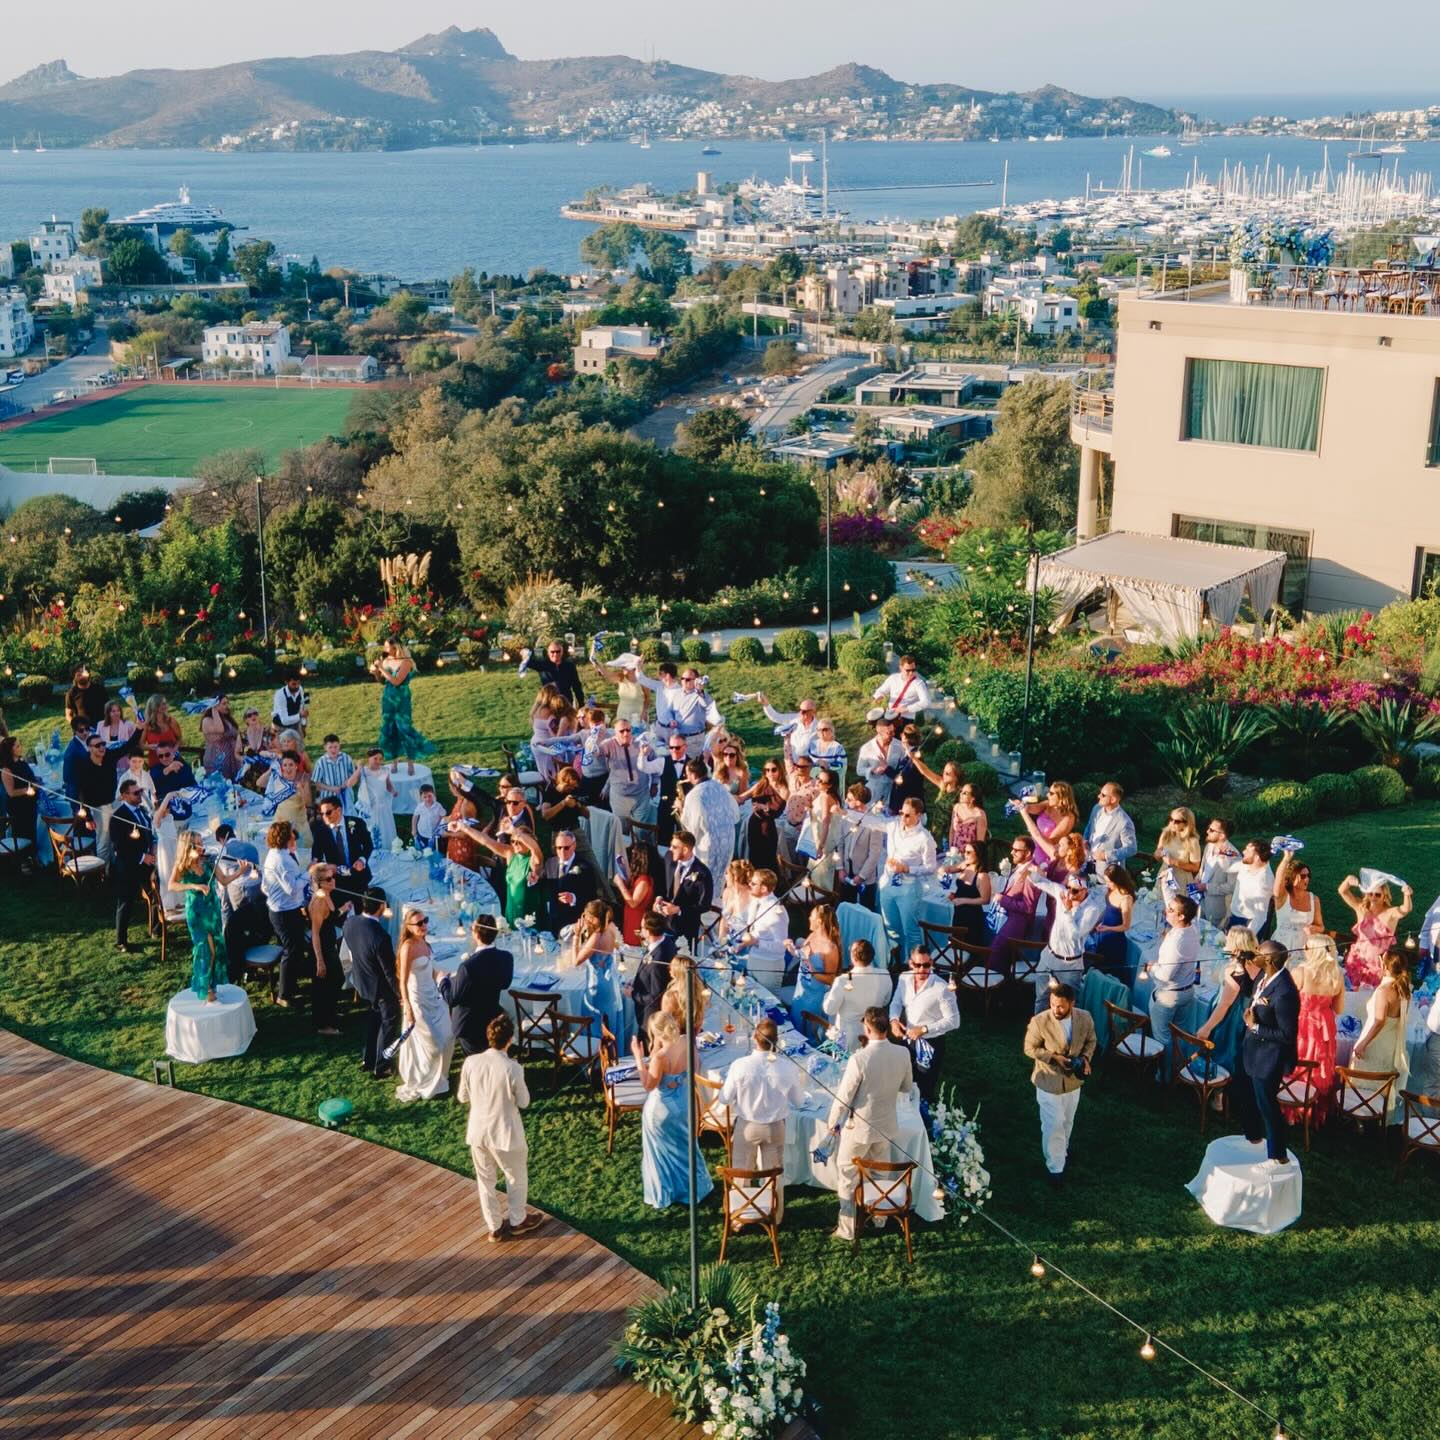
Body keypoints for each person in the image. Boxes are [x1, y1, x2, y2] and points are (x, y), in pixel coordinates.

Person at [826, 1006, 913, 1241]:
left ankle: (847, 1228)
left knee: (846, 1175)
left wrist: (832, 1122)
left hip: (859, 1130)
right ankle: (880, 1218)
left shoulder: (859, 1059)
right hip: (885, 1126)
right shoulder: (903, 1054)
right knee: (879, 1173)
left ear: (867, 1027)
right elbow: (906, 1087)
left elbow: (844, 1097)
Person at [457, 1011, 544, 1241]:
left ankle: (494, 1226)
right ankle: (517, 1219)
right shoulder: (512, 1068)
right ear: (510, 1039)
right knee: (515, 1176)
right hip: (505, 1133)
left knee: (485, 1181)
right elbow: (524, 1102)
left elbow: (462, 1097)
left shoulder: (471, 1062)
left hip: (478, 1132)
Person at [720, 1017, 807, 1220]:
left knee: (742, 1171)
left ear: (754, 1038)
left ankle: (740, 1216)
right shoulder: (787, 1067)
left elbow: (724, 1098)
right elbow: (799, 1101)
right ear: (776, 1041)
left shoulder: (740, 1065)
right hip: (775, 1127)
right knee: (774, 1174)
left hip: (747, 1126)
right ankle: (775, 1216)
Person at [632, 1009, 714, 1210]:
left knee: (661, 1153)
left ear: (657, 1032)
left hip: (661, 1110)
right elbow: (696, 1067)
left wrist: (638, 1059)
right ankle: (693, 1187)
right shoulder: (687, 1041)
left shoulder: (660, 1057)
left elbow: (649, 1085)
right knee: (685, 1146)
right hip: (684, 1103)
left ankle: (667, 1192)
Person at [1023, 982, 1096, 1186]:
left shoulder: (1085, 1018)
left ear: (1072, 1003)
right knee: (1053, 1123)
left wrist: (1086, 1058)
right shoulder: (1039, 1021)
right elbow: (1029, 1049)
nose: (1056, 1009)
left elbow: (1091, 1041)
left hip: (1073, 1083)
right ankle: (1055, 1167)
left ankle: (1061, 1152)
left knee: (1067, 1121)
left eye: (1061, 1006)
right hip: (1048, 1081)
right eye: (1053, 1004)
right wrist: (1053, 1057)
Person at [1237, 940, 1301, 1166]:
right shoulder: (1265, 977)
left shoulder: (1285, 993)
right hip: (1251, 1050)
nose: (1255, 954)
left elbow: (1287, 1035)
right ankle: (1253, 1137)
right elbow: (1250, 992)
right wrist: (1240, 967)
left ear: (1270, 960)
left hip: (1268, 1058)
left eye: (1259, 953)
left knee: (1267, 1106)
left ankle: (1277, 1156)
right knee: (1247, 1097)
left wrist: (1254, 1027)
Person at [1282, 934, 1345, 1127]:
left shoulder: (1300, 972)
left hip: (1303, 1024)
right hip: (1324, 1026)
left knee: (1298, 1062)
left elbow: (1286, 1001)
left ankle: (1290, 1108)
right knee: (1318, 1066)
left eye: (1307, 948)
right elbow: (1339, 1009)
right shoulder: (1337, 975)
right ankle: (1312, 1108)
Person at [394, 910, 456, 1101]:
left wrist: (441, 977)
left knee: (448, 1035)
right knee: (432, 1041)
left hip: (433, 997)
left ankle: (440, 1077)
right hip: (417, 1000)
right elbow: (402, 980)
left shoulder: (425, 943)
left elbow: (429, 969)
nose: (423, 926)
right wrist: (408, 1007)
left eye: (425, 921)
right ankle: (425, 1079)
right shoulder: (408, 948)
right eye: (419, 923)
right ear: (408, 927)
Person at [889, 945, 960, 1102]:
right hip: (907, 1040)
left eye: (926, 965)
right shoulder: (903, 978)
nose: (922, 969)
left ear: (931, 963)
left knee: (924, 1086)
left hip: (931, 1043)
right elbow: (896, 1003)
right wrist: (894, 1020)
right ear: (910, 963)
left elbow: (954, 1021)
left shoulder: (942, 988)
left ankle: (925, 1119)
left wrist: (924, 1029)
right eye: (917, 965)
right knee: (905, 1080)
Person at [343, 888, 402, 1076]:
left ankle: (367, 1058)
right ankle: (382, 1066)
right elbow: (389, 973)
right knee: (388, 1024)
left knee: (374, 1020)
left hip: (363, 982)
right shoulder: (380, 936)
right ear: (382, 906)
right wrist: (400, 994)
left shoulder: (349, 923)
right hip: (381, 989)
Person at [1351, 949, 1412, 1124]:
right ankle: (1378, 1116)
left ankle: (1360, 1118)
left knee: (1364, 1080)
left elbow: (1379, 1021)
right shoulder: (1404, 989)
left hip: (1376, 1042)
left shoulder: (1384, 990)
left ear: (1385, 966)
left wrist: (1363, 1044)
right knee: (1382, 1083)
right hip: (1390, 1044)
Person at [1031, 873, 1105, 1012]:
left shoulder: (1092, 909)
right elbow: (1039, 881)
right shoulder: (1063, 894)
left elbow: (1074, 935)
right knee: (1041, 999)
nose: (1070, 893)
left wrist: (1067, 911)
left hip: (1070, 965)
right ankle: (1038, 1030)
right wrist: (1032, 870)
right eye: (1068, 888)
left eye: (1075, 890)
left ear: (1085, 890)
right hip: (1049, 956)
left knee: (1069, 1004)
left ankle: (1067, 1031)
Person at [168, 830, 227, 1004]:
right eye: (198, 843)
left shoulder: (208, 861)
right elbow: (172, 885)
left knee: (215, 948)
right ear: (189, 847)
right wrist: (194, 886)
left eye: (202, 842)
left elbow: (224, 880)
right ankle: (205, 987)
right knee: (205, 950)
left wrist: (242, 870)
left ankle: (211, 984)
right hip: (197, 912)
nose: (202, 846)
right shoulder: (182, 866)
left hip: (213, 911)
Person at [1197, 927, 1263, 1080]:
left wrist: (1207, 1027)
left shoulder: (1234, 970)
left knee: (1222, 1050)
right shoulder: (1258, 966)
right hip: (1248, 1014)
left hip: (1230, 1018)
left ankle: (1218, 1090)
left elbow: (1224, 1004)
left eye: (1228, 940)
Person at [1149, 892, 1202, 1079]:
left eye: (1171, 910)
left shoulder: (1177, 941)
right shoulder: (1191, 929)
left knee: (1163, 1038)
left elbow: (1165, 975)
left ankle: (1164, 1076)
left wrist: (1152, 968)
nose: (1166, 911)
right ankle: (1177, 1072)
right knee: (1179, 1036)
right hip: (1187, 991)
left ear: (1181, 916)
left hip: (1169, 996)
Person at [880, 796, 937, 966]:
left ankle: (915, 964)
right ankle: (895, 960)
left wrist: (908, 869)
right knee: (890, 926)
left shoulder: (925, 838)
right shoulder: (894, 826)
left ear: (918, 815)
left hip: (908, 889)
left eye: (907, 815)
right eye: (901, 813)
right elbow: (872, 821)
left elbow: (931, 867)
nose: (903, 818)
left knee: (910, 930)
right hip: (888, 884)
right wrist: (845, 813)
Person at [448, 915, 515, 1057]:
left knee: (476, 1064)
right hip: (492, 1020)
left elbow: (452, 998)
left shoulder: (467, 967)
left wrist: (443, 981)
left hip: (469, 1026)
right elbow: (505, 984)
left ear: (476, 935)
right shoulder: (506, 957)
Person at [263, 820, 311, 1011]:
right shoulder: (282, 860)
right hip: (285, 912)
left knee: (295, 948)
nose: (295, 836)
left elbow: (265, 886)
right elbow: (292, 888)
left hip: (281, 908)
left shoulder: (275, 855)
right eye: (292, 833)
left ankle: (290, 983)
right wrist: (309, 873)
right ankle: (284, 995)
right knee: (291, 950)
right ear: (285, 837)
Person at [1338, 872, 1413, 988]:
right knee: (1353, 991)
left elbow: (1405, 909)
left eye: (1377, 895)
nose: (1373, 897)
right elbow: (1343, 891)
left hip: (1378, 963)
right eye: (1370, 894)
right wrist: (1347, 881)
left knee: (1374, 994)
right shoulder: (1361, 908)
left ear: (1385, 896)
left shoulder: (1390, 913)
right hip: (1358, 959)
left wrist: (1407, 895)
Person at [108, 779, 157, 952]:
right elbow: (119, 847)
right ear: (124, 796)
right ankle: (121, 941)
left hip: (146, 863)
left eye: (140, 791)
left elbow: (149, 832)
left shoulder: (142, 810)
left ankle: (156, 928)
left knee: (155, 893)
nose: (140, 795)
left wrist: (152, 848)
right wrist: (142, 857)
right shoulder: (117, 817)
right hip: (128, 866)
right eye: (136, 793)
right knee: (125, 902)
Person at [475, 803, 544, 925]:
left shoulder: (534, 860)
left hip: (528, 920)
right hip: (510, 914)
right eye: (513, 841)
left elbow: (534, 847)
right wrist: (463, 827)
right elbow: (485, 841)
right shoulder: (511, 854)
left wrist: (514, 831)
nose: (515, 844)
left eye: (519, 842)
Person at [372, 638, 435, 772]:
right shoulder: (386, 660)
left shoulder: (406, 662)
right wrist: (376, 672)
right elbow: (382, 681)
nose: (385, 650)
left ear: (396, 647)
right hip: (388, 699)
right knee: (390, 729)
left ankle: (410, 763)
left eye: (387, 647)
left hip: (402, 699)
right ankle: (394, 762)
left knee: (405, 729)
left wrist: (381, 668)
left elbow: (396, 681)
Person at [822, 939, 894, 1049]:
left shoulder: (842, 980)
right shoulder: (884, 974)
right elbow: (886, 1001)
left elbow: (829, 1009)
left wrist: (827, 994)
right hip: (874, 1035)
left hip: (848, 1039)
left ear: (852, 957)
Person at [572, 899, 626, 1045]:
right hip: (609, 983)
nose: (584, 919)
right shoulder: (611, 927)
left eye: (587, 916)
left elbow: (576, 961)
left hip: (596, 986)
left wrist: (576, 936)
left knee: (596, 1022)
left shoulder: (597, 936)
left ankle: (595, 1059)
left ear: (594, 918)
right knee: (608, 1020)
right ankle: (611, 1055)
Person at [214, 823, 266, 971]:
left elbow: (223, 880)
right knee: (257, 922)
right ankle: (259, 950)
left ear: (221, 838)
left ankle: (246, 961)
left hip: (239, 890)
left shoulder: (225, 851)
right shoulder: (251, 846)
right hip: (258, 887)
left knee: (240, 925)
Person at [680, 757, 739, 879]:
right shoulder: (721, 787)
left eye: (687, 773)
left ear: (692, 774)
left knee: (706, 882)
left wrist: (681, 809)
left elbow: (691, 830)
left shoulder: (694, 795)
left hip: (707, 847)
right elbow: (736, 816)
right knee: (720, 879)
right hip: (727, 842)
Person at [734, 868, 790, 992]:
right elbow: (755, 931)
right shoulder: (756, 902)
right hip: (753, 959)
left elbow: (781, 946)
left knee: (768, 1005)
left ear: (764, 889)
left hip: (769, 966)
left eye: (753, 884)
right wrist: (743, 945)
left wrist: (756, 942)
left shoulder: (776, 912)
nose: (749, 885)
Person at [789, 902, 843, 1030]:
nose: (808, 918)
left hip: (814, 998)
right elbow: (802, 954)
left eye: (811, 916)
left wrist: (811, 968)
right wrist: (790, 948)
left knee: (810, 1032)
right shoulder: (812, 936)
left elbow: (831, 979)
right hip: (801, 991)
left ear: (819, 921)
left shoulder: (830, 948)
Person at [305, 862, 344, 1036]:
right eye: (329, 878)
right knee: (325, 985)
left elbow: (333, 916)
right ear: (320, 883)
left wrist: (344, 909)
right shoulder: (319, 902)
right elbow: (315, 934)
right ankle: (324, 1024)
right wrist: (319, 960)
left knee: (335, 980)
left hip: (330, 945)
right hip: (322, 949)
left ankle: (331, 1013)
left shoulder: (327, 894)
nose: (333, 880)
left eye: (333, 876)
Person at [991, 835, 1041, 972]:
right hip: (1006, 917)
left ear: (1028, 853)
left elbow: (1028, 907)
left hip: (1017, 922)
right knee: (1000, 957)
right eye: (1012, 848)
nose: (1012, 852)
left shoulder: (1031, 872)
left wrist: (1003, 899)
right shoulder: (1020, 867)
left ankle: (992, 986)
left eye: (1016, 850)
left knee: (995, 954)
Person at [656, 829, 713, 946]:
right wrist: (658, 898)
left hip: (686, 930)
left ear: (686, 850)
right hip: (663, 924)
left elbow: (704, 905)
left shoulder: (702, 873)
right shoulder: (669, 857)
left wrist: (679, 909)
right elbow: (661, 881)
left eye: (674, 847)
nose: (670, 849)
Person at [75, 731, 124, 862]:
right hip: (98, 808)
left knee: (115, 836)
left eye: (103, 744)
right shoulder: (84, 765)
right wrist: (88, 817)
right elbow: (81, 793)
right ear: (90, 748)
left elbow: (127, 747)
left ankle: (113, 867)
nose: (102, 747)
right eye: (98, 746)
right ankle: (103, 873)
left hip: (113, 802)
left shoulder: (109, 756)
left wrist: (139, 729)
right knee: (103, 840)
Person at [542, 828, 599, 934]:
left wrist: (573, 898)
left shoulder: (585, 867)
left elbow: (592, 896)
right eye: (559, 848)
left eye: (566, 848)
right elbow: (544, 885)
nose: (562, 851)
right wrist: (534, 879)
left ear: (574, 846)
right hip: (553, 923)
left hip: (573, 923)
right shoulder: (550, 863)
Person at [1089, 865, 1138, 983]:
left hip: (1114, 941)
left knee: (1110, 972)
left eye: (1109, 882)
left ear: (1117, 880)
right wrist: (1095, 923)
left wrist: (1108, 928)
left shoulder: (1126, 898)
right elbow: (1106, 910)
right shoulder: (1111, 890)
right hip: (1103, 934)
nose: (1107, 884)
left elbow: (1126, 926)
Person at [631, 911, 677, 1038]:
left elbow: (656, 996)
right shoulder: (664, 941)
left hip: (650, 1016)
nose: (640, 930)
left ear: (648, 931)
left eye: (642, 928)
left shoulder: (659, 958)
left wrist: (633, 994)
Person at [941, 838, 992, 950]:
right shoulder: (965, 866)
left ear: (978, 854)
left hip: (971, 915)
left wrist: (963, 900)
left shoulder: (982, 876)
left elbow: (985, 899)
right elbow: (949, 869)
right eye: (965, 851)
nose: (965, 854)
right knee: (957, 944)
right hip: (959, 912)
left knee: (968, 946)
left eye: (969, 852)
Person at [600, 718, 652, 825]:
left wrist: (655, 782)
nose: (625, 734)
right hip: (620, 797)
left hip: (641, 795)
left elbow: (655, 761)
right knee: (622, 831)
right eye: (622, 731)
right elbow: (596, 752)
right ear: (615, 732)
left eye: (628, 730)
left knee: (640, 831)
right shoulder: (609, 745)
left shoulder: (640, 744)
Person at [1271, 850, 1323, 957]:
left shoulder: (1314, 899)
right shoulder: (1283, 897)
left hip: (1304, 948)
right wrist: (1286, 858)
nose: (1307, 879)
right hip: (1282, 948)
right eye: (1303, 876)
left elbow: (1321, 926)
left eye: (1308, 875)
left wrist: (1314, 929)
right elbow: (1278, 881)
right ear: (1292, 877)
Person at [742, 757, 788, 872]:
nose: (770, 773)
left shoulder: (783, 790)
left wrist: (764, 807)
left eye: (773, 770)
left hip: (767, 828)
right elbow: (742, 797)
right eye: (767, 770)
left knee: (768, 859)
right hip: (754, 825)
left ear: (780, 770)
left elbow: (777, 812)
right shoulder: (761, 784)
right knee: (754, 858)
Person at [0, 736, 40, 869]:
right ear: (10, 751)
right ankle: (24, 861)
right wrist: (27, 790)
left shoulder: (22, 762)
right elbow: (11, 792)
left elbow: (31, 777)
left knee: (32, 831)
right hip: (18, 807)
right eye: (17, 746)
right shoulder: (7, 770)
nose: (20, 747)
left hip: (30, 804)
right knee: (23, 832)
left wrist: (35, 783)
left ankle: (33, 857)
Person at [1196, 816, 1241, 927]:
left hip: (1217, 908)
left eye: (1211, 830)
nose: (1207, 831)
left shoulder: (1233, 856)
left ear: (1222, 835)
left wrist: (1206, 887)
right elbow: (1203, 869)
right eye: (1208, 828)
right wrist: (1197, 878)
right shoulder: (1209, 846)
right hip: (1200, 903)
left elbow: (1231, 887)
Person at [312, 796, 374, 877]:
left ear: (339, 810)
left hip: (359, 873)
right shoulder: (320, 832)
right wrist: (326, 867)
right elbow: (316, 857)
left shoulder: (357, 823)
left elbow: (368, 845)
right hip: (335, 878)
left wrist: (362, 860)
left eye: (328, 812)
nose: (324, 817)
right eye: (322, 814)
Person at [1083, 780, 1138, 870]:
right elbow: (1089, 826)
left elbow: (1132, 848)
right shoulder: (1096, 808)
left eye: (1103, 795)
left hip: (1106, 871)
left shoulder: (1124, 822)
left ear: (1113, 799)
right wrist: (1085, 840)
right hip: (1086, 862)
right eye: (1100, 793)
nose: (1098, 796)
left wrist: (1106, 855)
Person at [856, 713, 904, 813]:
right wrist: (872, 770)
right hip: (874, 790)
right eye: (889, 732)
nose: (893, 734)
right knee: (871, 818)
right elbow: (859, 770)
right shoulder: (867, 748)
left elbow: (903, 768)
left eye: (893, 731)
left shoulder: (899, 746)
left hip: (893, 790)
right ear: (879, 732)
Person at [1151, 805, 1201, 896]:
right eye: (1171, 819)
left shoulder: (1192, 841)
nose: (1172, 823)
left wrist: (1175, 862)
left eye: (1177, 821)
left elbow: (1195, 867)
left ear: (1186, 823)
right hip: (1164, 875)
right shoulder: (1166, 834)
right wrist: (1158, 854)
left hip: (1180, 880)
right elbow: (1156, 854)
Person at [1227, 839, 1275, 935]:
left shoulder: (1264, 880)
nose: (1243, 851)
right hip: (1235, 916)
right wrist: (1224, 856)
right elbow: (1228, 868)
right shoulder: (1247, 864)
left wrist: (1248, 935)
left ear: (1257, 857)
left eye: (1247, 851)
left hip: (1250, 924)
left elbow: (1260, 915)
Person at [613, 841, 655, 946]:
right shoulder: (637, 879)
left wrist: (620, 884)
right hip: (630, 919)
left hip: (636, 921)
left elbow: (633, 903)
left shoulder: (644, 880)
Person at [267, 753, 313, 848]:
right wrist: (270, 771)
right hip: (279, 825)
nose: (288, 768)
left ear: (296, 766)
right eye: (285, 765)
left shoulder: (303, 779)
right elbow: (259, 783)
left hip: (299, 826)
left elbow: (308, 803)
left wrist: (301, 789)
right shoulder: (278, 779)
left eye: (291, 765)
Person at [356, 749, 399, 849]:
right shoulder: (364, 772)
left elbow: (388, 785)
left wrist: (393, 791)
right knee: (372, 826)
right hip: (371, 804)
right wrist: (359, 768)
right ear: (369, 758)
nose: (378, 761)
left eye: (380, 759)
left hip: (383, 804)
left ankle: (387, 846)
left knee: (385, 826)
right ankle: (371, 847)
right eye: (375, 758)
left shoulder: (385, 770)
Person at [759, 692, 820, 760]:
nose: (801, 713)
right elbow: (775, 717)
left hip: (810, 766)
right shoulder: (794, 719)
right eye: (800, 710)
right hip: (793, 764)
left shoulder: (819, 727)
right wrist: (765, 704)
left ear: (813, 712)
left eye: (804, 711)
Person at [872, 655, 932, 722]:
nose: (911, 673)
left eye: (913, 670)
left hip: (906, 717)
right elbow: (881, 690)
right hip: (890, 712)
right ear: (901, 668)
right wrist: (878, 696)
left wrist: (907, 708)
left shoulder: (919, 683)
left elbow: (926, 702)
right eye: (908, 670)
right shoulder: (893, 678)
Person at [531, 638, 586, 710]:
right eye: (552, 652)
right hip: (549, 702)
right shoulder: (542, 665)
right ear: (548, 653)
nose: (555, 654)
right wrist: (525, 653)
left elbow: (576, 686)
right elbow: (528, 662)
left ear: (562, 652)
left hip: (566, 702)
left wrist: (581, 704)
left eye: (558, 651)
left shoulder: (569, 666)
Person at [312, 734, 359, 816]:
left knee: (348, 819)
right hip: (328, 798)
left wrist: (348, 782)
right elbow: (317, 783)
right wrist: (331, 788)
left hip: (346, 796)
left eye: (335, 747)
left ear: (339, 746)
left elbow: (354, 776)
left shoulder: (346, 758)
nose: (333, 750)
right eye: (330, 747)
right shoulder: (321, 762)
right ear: (325, 747)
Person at [200, 696, 239, 780]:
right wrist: (214, 709)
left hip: (231, 759)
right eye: (224, 704)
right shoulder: (207, 720)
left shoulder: (226, 718)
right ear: (215, 705)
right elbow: (220, 730)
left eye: (227, 703)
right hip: (216, 761)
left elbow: (236, 733)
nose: (227, 706)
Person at [141, 695, 184, 767]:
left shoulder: (171, 721)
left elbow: (180, 739)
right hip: (155, 762)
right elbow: (141, 745)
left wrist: (174, 749)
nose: (164, 706)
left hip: (173, 760)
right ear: (153, 707)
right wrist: (151, 746)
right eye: (160, 704)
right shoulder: (146, 725)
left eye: (164, 703)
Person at [64, 666, 108, 731]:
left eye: (83, 672)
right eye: (78, 674)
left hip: (102, 727)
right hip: (83, 730)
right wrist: (77, 726)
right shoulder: (71, 693)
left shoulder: (99, 689)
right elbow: (68, 714)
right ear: (74, 677)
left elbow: (109, 708)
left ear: (88, 674)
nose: (81, 675)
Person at [270, 673, 309, 737]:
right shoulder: (280, 695)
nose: (297, 686)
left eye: (298, 683)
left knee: (299, 745)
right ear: (286, 682)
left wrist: (303, 726)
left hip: (295, 723)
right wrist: (299, 715)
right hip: (281, 727)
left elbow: (303, 708)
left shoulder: (300, 689)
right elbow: (284, 721)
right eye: (293, 684)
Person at [412, 782, 447, 849]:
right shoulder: (420, 806)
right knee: (423, 848)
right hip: (423, 832)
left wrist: (440, 825)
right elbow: (415, 817)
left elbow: (443, 816)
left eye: (429, 796)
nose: (427, 799)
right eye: (425, 797)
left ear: (433, 795)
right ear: (421, 797)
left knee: (435, 847)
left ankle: (434, 854)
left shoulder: (438, 806)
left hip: (435, 831)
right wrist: (414, 829)